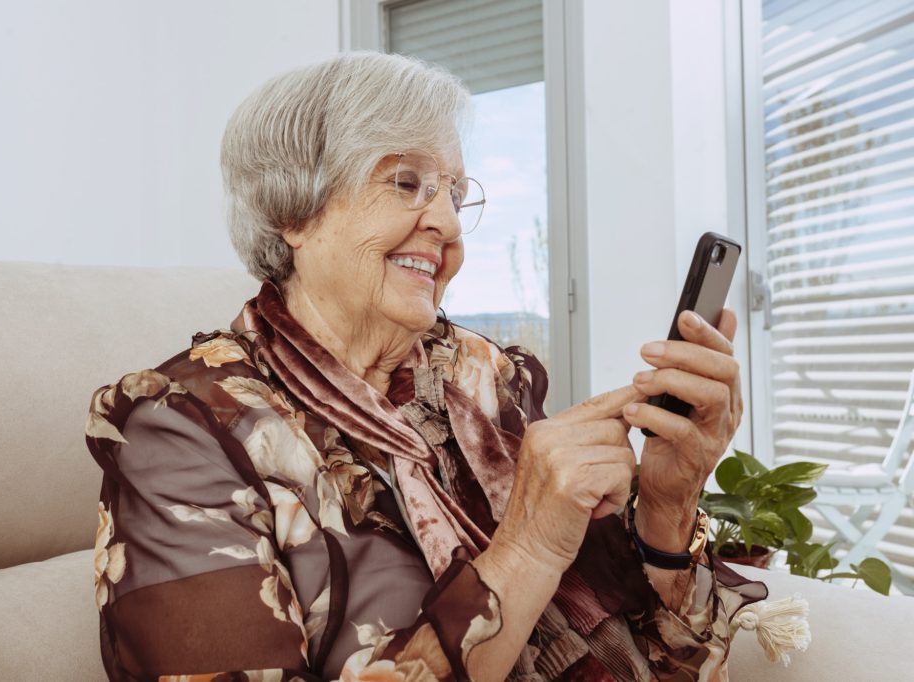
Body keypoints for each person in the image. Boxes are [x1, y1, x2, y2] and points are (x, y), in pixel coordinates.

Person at [86, 51, 767, 682]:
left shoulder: (485, 379)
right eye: (408, 182)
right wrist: (524, 552)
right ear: (294, 210)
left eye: (454, 191)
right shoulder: (181, 433)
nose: (447, 222)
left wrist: (668, 506)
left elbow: (666, 663)